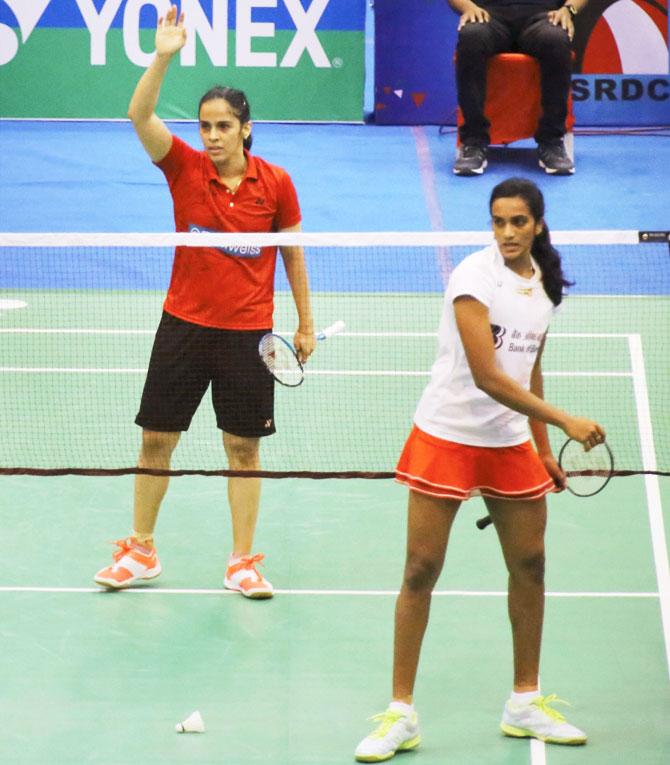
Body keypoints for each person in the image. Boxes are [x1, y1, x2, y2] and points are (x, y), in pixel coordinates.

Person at [354, 177, 604, 761]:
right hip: (449, 432)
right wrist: (565, 421)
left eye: (518, 221)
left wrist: (542, 447)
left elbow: (528, 371)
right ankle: (400, 713)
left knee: (531, 564)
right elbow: (490, 377)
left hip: (510, 438)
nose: (508, 233)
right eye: (498, 222)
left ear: (538, 224)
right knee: (420, 567)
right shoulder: (473, 278)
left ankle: (524, 701)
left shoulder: (545, 286)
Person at [94, 5, 315, 598]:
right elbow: (139, 114)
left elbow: (293, 254)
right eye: (205, 126)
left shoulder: (277, 183)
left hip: (248, 336)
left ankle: (242, 561)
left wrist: (305, 324)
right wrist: (163, 54)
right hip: (183, 327)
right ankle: (140, 549)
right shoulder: (184, 169)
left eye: (223, 126)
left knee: (242, 448)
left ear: (245, 127)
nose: (212, 136)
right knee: (155, 440)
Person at [450, 0, 586, 176]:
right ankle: (473, 143)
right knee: (471, 35)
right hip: (488, 16)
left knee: (556, 38)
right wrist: (468, 7)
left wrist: (568, 10)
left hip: (542, 17)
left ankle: (551, 142)